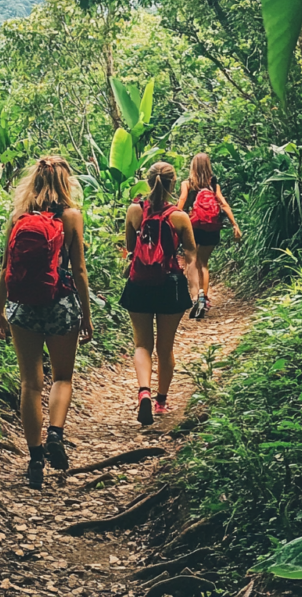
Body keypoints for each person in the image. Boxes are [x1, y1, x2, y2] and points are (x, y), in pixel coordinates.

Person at [0, 156, 93, 489]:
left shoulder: (18, 218)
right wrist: (87, 315)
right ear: (66, 183)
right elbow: (78, 271)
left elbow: (6, 269)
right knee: (62, 377)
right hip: (62, 305)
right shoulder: (72, 217)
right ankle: (55, 434)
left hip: (23, 309)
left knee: (30, 384)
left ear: (33, 181)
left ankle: (35, 460)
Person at [121, 162, 198, 425]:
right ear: (173, 184)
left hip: (138, 283)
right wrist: (194, 288)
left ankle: (143, 390)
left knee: (142, 344)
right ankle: (161, 401)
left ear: (148, 180)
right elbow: (190, 253)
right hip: (170, 285)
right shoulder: (180, 217)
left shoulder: (134, 211)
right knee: (165, 348)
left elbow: (130, 247)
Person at [177, 153, 241, 318]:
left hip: (193, 228)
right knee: (203, 263)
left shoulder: (188, 184)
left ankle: (195, 296)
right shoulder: (213, 185)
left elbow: (182, 202)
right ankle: (203, 299)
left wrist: (173, 220)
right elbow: (223, 204)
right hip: (212, 228)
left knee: (192, 262)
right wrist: (235, 224)